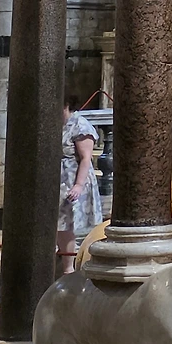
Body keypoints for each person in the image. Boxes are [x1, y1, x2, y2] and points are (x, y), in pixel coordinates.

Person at [57, 98, 103, 274]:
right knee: (57, 224)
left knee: (66, 224)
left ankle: (68, 269)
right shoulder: (57, 123)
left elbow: (85, 158)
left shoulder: (80, 125)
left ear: (66, 105)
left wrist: (78, 185)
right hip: (58, 179)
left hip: (73, 179)